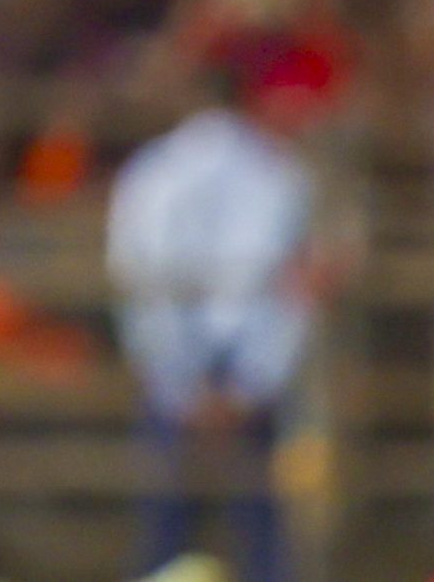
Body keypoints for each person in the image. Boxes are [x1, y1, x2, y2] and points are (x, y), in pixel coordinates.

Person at [106, 52, 327, 582]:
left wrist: (177, 383)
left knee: (167, 527)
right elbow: (294, 287)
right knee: (260, 529)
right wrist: (250, 385)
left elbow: (136, 277)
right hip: (244, 366)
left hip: (180, 367)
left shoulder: (153, 170)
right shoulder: (281, 174)